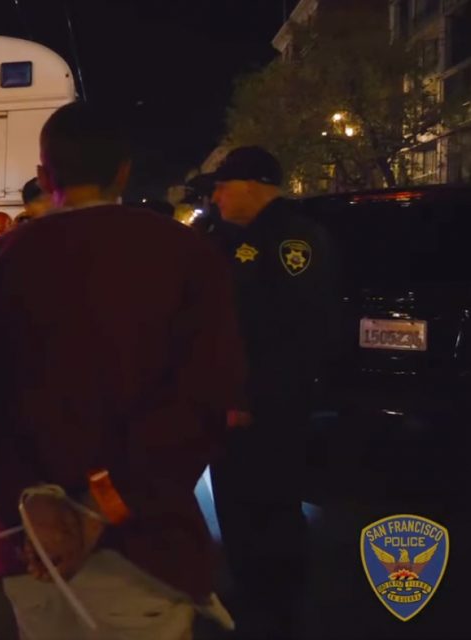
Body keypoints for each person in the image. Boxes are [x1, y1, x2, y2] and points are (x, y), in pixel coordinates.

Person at [0, 102, 247, 639]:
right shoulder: (184, 254)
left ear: (43, 175)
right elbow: (206, 399)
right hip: (145, 555)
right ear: (122, 171)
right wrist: (99, 509)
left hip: (33, 552)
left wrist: (32, 499)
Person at [197, 146, 338, 639]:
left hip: (266, 407)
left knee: (270, 502)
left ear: (253, 185)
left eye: (222, 185)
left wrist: (248, 399)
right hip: (236, 403)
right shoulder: (231, 237)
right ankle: (252, 591)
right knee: (237, 501)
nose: (214, 196)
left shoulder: (293, 239)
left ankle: (278, 605)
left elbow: (291, 334)